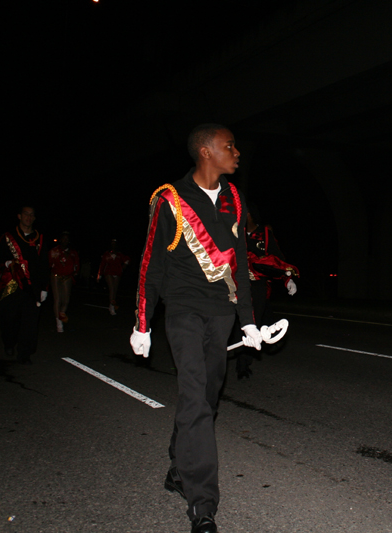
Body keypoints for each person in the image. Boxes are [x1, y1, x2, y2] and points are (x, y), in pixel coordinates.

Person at [129, 123, 262, 533]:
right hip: (184, 310)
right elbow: (152, 264)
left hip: (221, 312)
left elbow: (238, 259)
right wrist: (143, 324)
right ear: (206, 152)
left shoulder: (233, 198)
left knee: (206, 396)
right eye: (229, 146)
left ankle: (177, 466)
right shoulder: (170, 199)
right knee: (194, 398)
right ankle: (202, 504)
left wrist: (250, 322)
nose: (237, 152)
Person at [235, 204, 299, 379]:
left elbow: (276, 259)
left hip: (257, 285)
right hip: (233, 285)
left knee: (251, 322)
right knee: (230, 323)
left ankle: (243, 364)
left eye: (244, 213)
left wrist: (287, 278)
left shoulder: (265, 235)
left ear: (249, 215)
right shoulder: (234, 232)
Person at [0, 206, 49, 364]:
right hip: (11, 285)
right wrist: (6, 262)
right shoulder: (8, 237)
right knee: (9, 319)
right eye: (25, 214)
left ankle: (24, 354)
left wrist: (44, 288)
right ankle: (9, 342)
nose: (28, 217)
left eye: (32, 215)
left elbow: (44, 263)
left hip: (33, 287)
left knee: (30, 322)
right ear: (19, 216)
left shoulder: (40, 238)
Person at [48, 231, 80, 332]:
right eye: (63, 238)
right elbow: (49, 263)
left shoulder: (72, 252)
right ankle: (58, 322)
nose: (65, 241)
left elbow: (77, 264)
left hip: (67, 277)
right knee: (57, 299)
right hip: (56, 276)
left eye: (67, 239)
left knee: (66, 299)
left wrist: (75, 271)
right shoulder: (54, 251)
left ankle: (61, 313)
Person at [97, 239, 130, 315]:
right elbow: (102, 264)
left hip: (117, 273)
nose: (113, 245)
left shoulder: (119, 254)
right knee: (111, 288)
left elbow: (127, 259)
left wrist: (124, 266)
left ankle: (111, 304)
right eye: (112, 244)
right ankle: (112, 306)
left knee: (114, 289)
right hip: (108, 272)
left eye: (115, 244)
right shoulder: (106, 254)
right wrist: (99, 274)